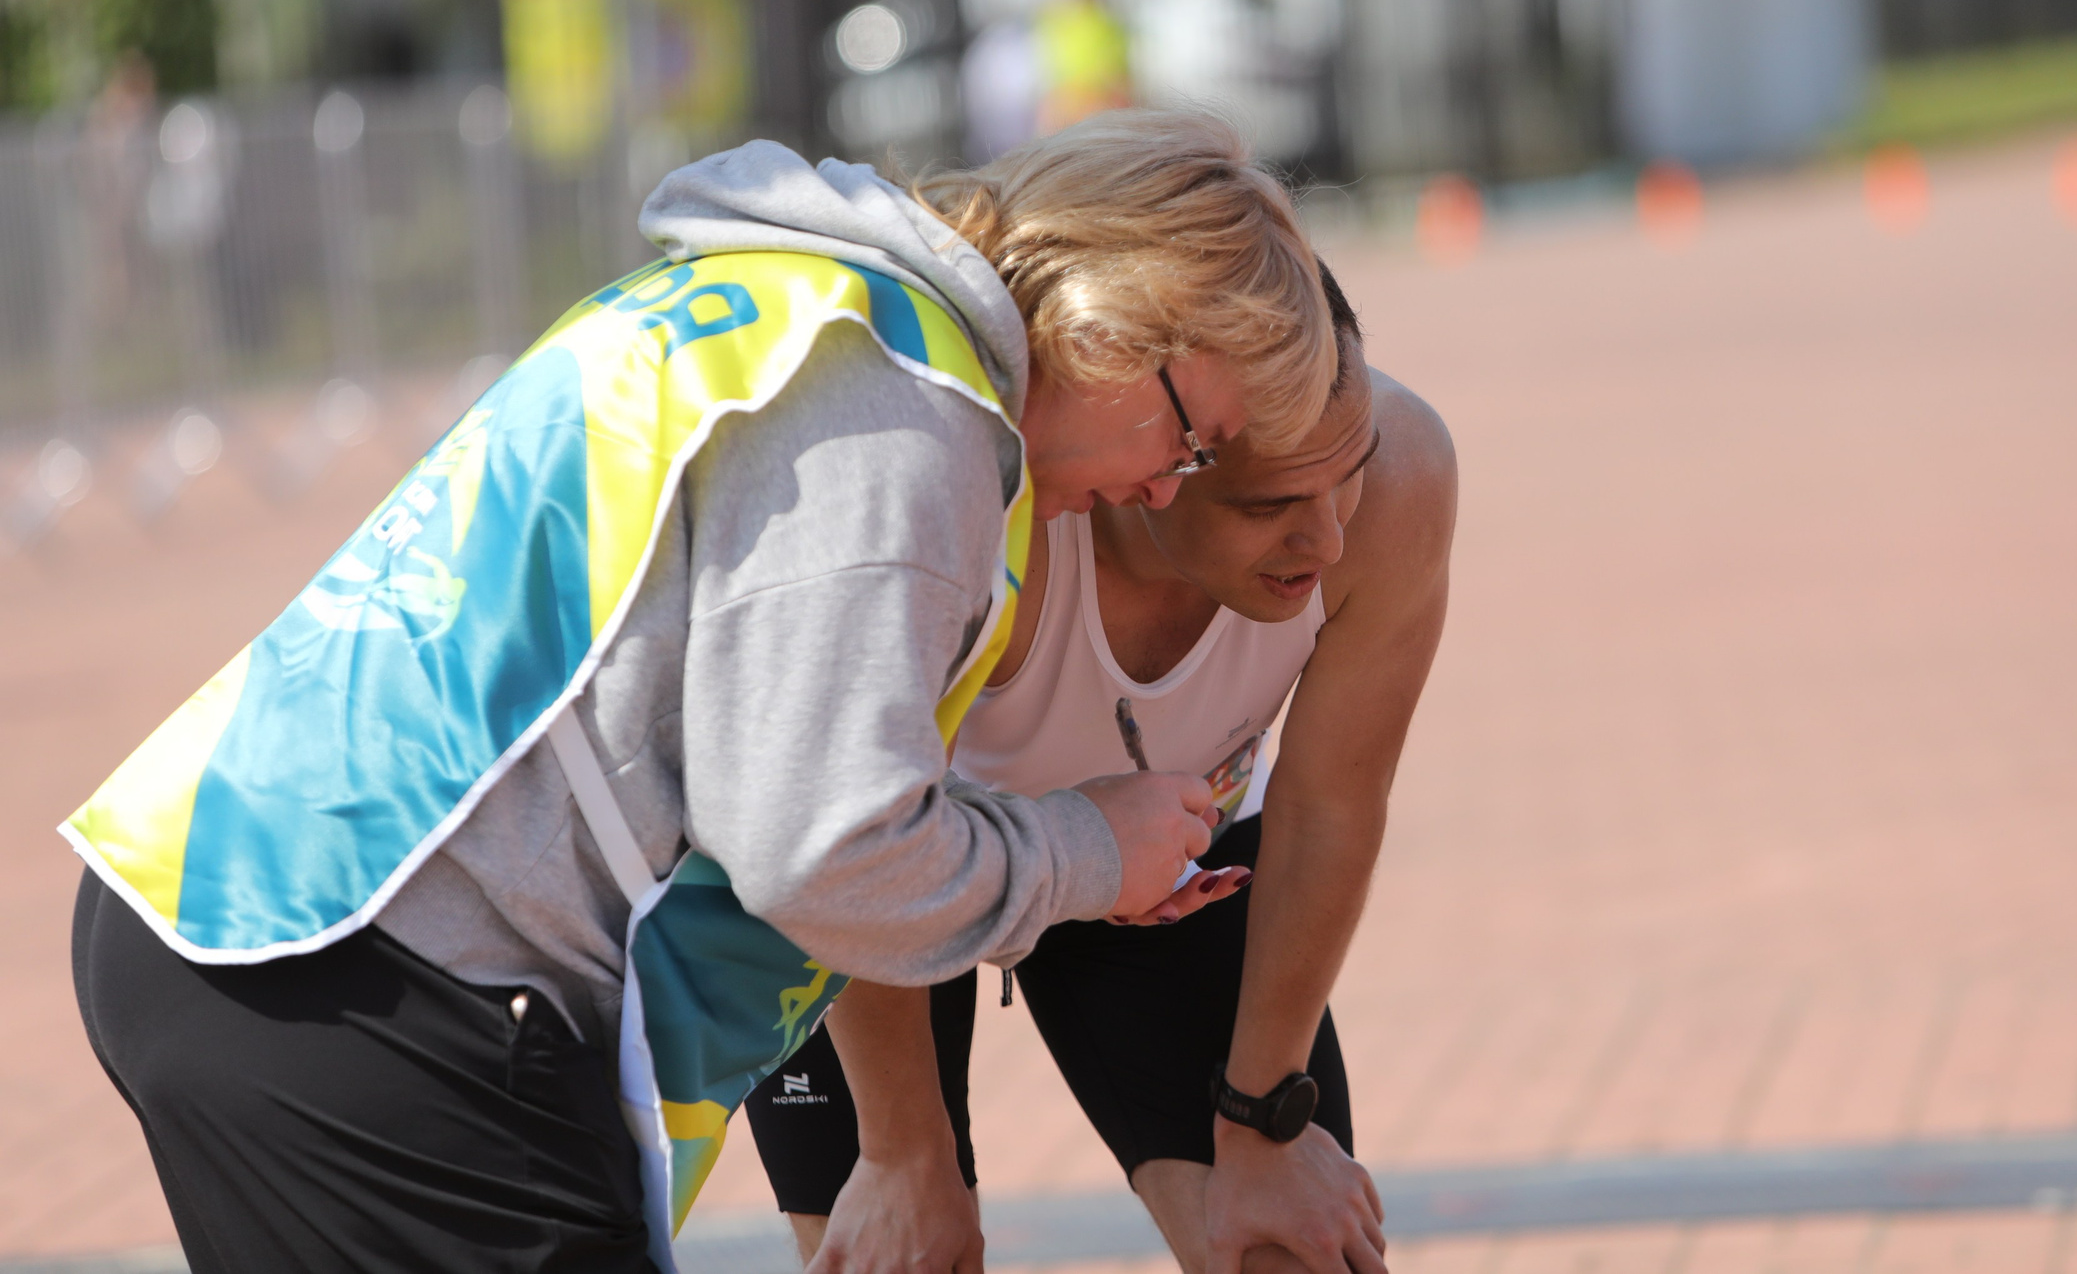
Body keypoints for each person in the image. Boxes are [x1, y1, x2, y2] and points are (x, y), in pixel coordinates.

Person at [63, 113, 1340, 1274]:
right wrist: (1086, 852)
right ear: (1115, 324)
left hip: (246, 901)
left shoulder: (796, 302)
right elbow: (820, 855)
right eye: (1191, 437)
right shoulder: (907, 414)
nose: (1166, 487)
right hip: (381, 974)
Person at [745, 265, 1458, 1274]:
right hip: (893, 867)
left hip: (1169, 859)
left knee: (1286, 1250)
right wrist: (904, 1150)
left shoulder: (1401, 473)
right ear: (1162, 461)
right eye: (1271, 504)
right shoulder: (984, 504)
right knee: (901, 1247)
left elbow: (1331, 808)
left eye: (1346, 476)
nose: (1327, 539)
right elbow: (842, 832)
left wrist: (1264, 1117)